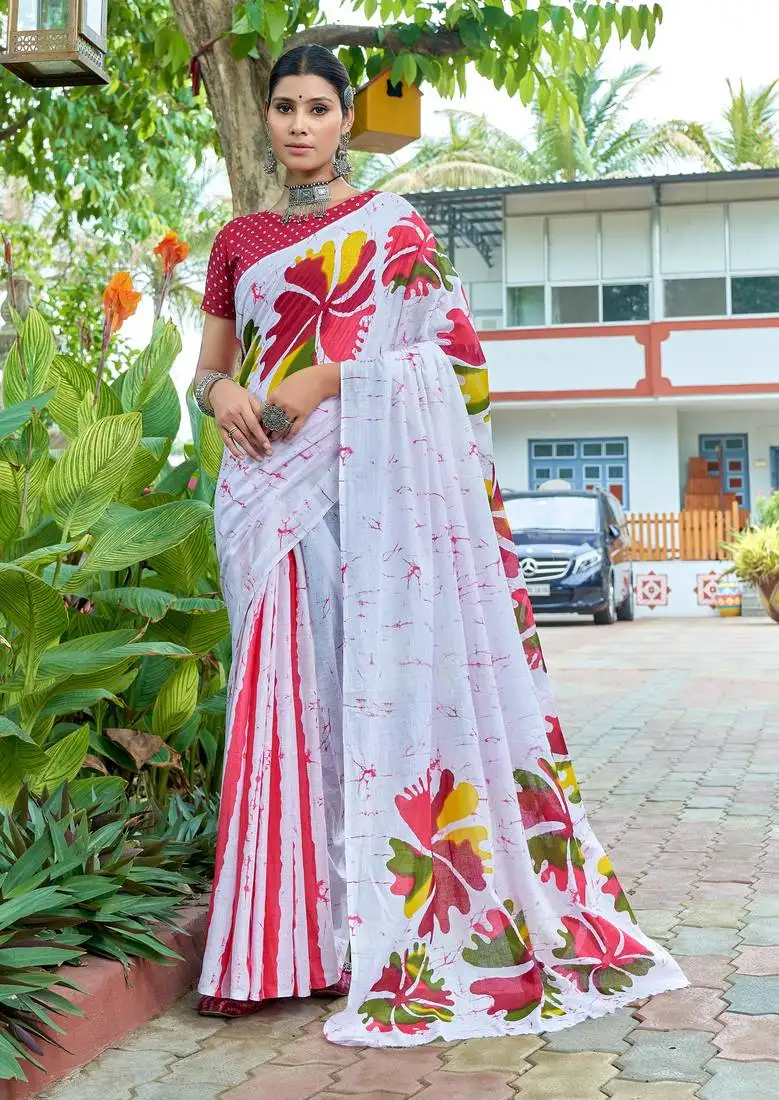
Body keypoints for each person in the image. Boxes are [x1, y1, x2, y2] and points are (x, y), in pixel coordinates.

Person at [192, 43, 687, 1047]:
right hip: (260, 495)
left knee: (355, 699)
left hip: (360, 477)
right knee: (278, 706)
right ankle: (276, 946)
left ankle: (360, 932)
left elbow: (457, 361)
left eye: (316, 107)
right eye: (282, 106)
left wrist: (326, 381)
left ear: (344, 120)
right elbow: (208, 367)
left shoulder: (394, 228)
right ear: (266, 121)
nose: (297, 124)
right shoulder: (236, 240)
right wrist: (226, 390)